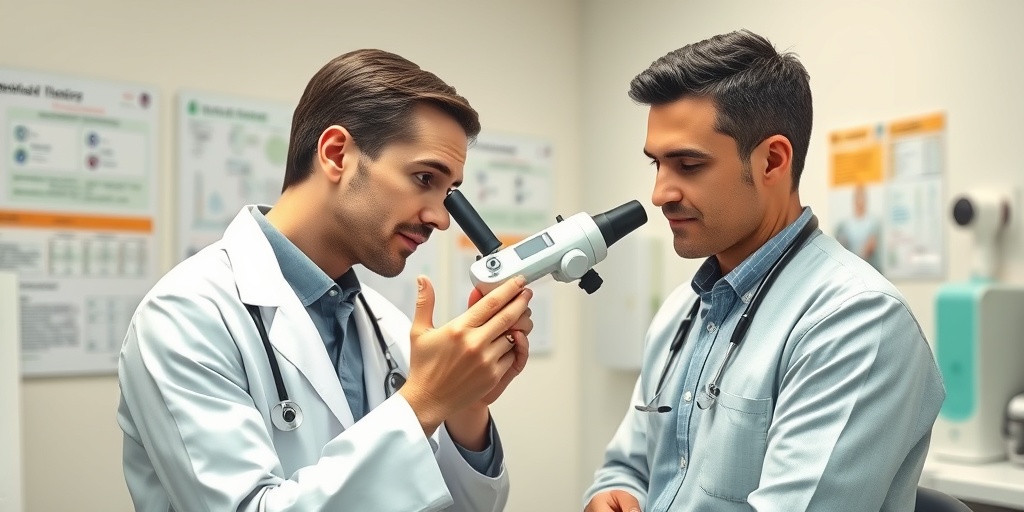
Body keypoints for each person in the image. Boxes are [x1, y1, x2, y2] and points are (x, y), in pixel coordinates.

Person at [117, 49, 534, 512]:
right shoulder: (185, 315)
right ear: (338, 155)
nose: (440, 219)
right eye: (423, 178)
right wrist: (424, 402)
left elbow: (465, 507)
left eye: (448, 194)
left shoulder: (386, 326)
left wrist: (464, 406)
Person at [583, 30, 944, 512]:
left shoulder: (855, 323)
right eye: (657, 165)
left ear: (773, 160)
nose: (660, 193)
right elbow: (627, 467)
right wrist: (614, 494)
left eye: (688, 164)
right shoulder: (681, 312)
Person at [835, 182, 883, 271]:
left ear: (866, 199)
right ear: (854, 200)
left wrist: (857, 261)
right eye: (857, 197)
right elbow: (841, 245)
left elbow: (871, 247)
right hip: (851, 269)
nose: (860, 200)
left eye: (862, 197)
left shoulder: (873, 222)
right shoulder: (846, 224)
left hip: (869, 269)